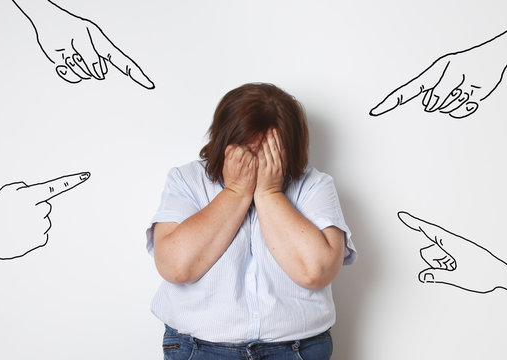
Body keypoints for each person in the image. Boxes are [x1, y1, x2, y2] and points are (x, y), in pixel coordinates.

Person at [146, 83, 357, 359]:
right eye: (246, 150)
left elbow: (316, 271)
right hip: (198, 348)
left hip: (297, 349)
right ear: (225, 140)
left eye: (269, 152)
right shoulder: (186, 180)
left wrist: (269, 193)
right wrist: (235, 192)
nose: (256, 161)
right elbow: (176, 266)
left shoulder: (315, 186)